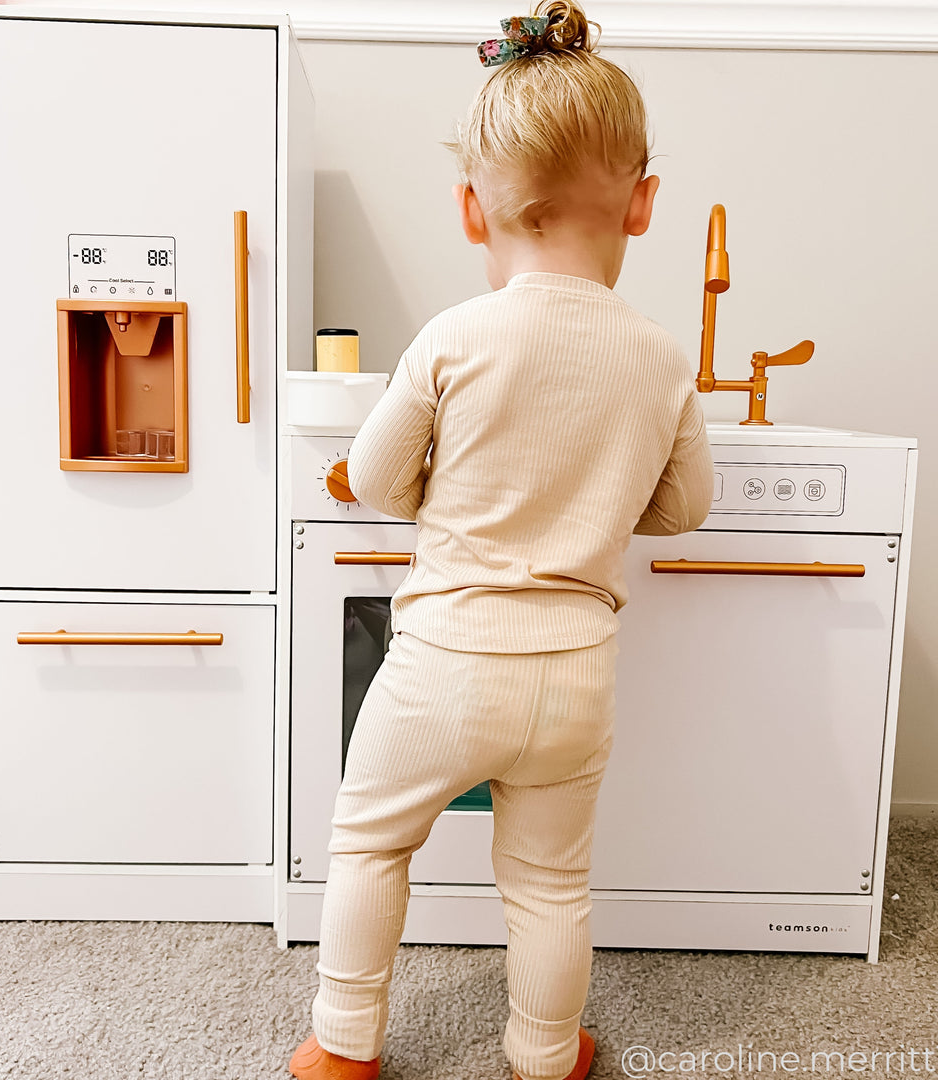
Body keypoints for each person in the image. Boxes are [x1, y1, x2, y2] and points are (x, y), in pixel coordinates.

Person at [290, 4, 714, 1079]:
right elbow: (682, 510)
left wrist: (437, 484)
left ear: (472, 213)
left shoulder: (452, 337)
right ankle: (543, 1053)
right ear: (646, 204)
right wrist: (601, 497)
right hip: (575, 676)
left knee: (370, 843)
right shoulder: (663, 360)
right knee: (550, 884)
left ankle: (343, 1048)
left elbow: (381, 481)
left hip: (443, 665)